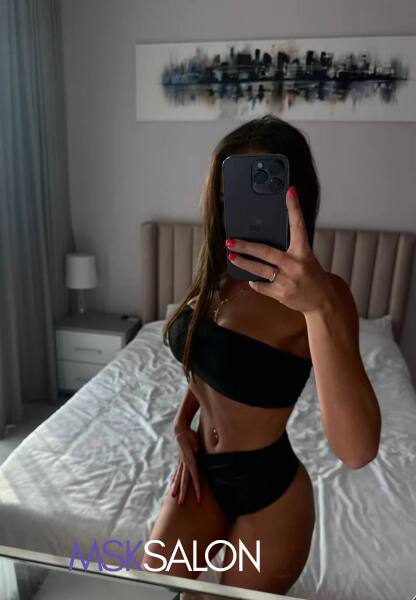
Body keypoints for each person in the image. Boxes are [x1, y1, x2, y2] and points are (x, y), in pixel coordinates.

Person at [143, 114, 381, 598]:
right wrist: (182, 425)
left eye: (262, 195)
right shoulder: (217, 275)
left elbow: (358, 451)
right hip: (203, 476)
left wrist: (316, 306)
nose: (239, 209)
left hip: (271, 491)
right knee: (154, 580)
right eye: (230, 193)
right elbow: (208, 366)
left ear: (296, 199)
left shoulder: (325, 295)